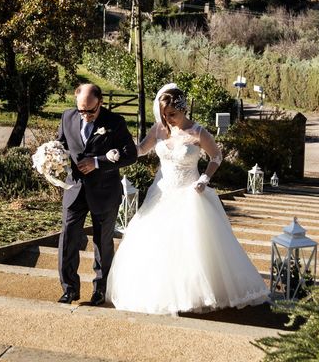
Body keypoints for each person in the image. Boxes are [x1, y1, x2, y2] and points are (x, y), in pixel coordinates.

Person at [106, 83, 269, 315]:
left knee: (192, 246)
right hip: (161, 194)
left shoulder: (199, 132)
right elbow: (140, 149)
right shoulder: (159, 130)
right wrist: (119, 152)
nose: (168, 119)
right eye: (164, 115)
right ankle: (161, 294)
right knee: (157, 245)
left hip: (190, 194)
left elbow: (216, 156)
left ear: (183, 109)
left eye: (172, 114)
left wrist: (204, 178)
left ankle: (194, 294)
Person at [56, 83, 137, 305]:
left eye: (91, 111)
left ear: (100, 102)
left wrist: (97, 162)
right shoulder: (67, 117)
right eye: (82, 110)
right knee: (68, 238)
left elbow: (130, 154)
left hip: (104, 192)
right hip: (74, 190)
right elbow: (60, 145)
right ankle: (69, 288)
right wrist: (51, 157)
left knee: (102, 242)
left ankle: (100, 289)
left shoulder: (115, 122)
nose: (86, 115)